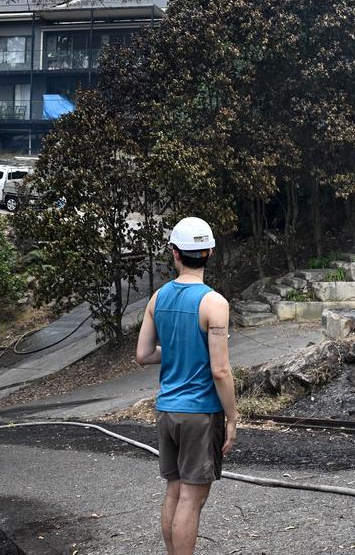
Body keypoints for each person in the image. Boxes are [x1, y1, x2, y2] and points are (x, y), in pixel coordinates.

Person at [135, 217, 237, 555]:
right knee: (192, 499)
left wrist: (178, 350)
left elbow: (143, 355)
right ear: (210, 252)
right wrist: (233, 417)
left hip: (167, 410)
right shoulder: (214, 303)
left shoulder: (157, 298)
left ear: (175, 253)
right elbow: (220, 370)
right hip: (200, 414)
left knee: (174, 491)